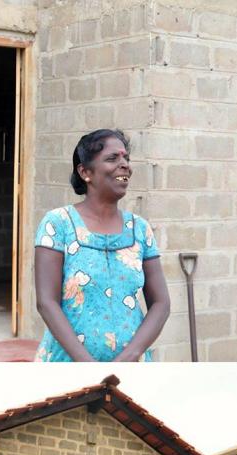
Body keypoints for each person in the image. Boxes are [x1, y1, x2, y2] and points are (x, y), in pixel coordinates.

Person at [34, 128, 170, 362]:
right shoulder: (58, 225)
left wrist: (132, 354)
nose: (124, 164)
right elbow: (47, 302)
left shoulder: (140, 229)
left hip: (130, 370)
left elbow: (161, 303)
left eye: (126, 157)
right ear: (85, 172)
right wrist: (88, 366)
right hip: (67, 366)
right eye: (112, 158)